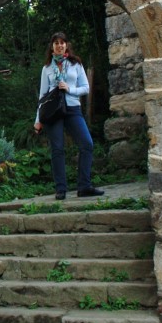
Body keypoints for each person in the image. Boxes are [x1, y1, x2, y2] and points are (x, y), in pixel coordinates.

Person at [33, 32, 104, 200]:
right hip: (53, 112)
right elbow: (42, 95)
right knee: (57, 149)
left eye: (62, 42)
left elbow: (85, 88)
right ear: (52, 47)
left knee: (87, 144)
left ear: (66, 45)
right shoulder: (47, 68)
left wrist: (69, 89)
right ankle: (61, 189)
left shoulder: (75, 64)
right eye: (56, 43)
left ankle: (84, 186)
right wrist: (38, 120)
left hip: (72, 109)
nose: (59, 45)